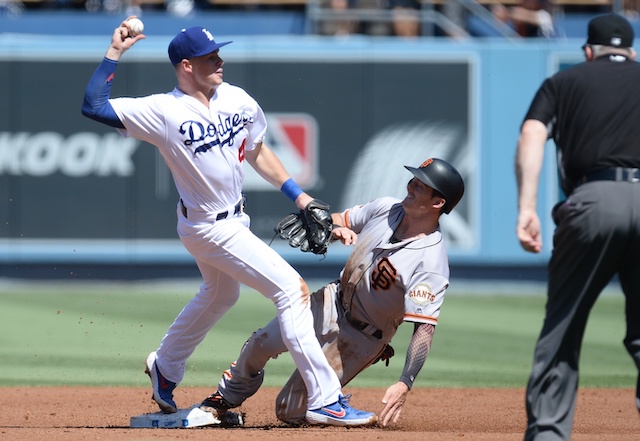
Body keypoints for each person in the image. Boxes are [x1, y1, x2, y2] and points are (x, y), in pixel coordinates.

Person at [81, 17, 377, 427]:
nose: (220, 60)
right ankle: (325, 398)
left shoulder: (236, 98)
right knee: (292, 290)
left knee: (221, 295)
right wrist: (116, 51)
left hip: (235, 220)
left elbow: (257, 151)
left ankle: (165, 367)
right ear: (186, 66)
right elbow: (93, 105)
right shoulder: (163, 110)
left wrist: (301, 196)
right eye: (210, 56)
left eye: (219, 53)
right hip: (206, 225)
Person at [195, 158, 465, 427]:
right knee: (260, 343)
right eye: (413, 179)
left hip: (361, 337)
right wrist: (335, 230)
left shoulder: (430, 262)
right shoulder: (386, 208)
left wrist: (405, 382)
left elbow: (424, 329)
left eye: (420, 185)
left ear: (438, 203)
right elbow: (338, 220)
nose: (411, 185)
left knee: (289, 410)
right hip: (329, 302)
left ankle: (343, 414)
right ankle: (224, 399)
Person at [515, 13, 640, 440]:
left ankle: (549, 434)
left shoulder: (564, 82)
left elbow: (532, 132)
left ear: (588, 51)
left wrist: (527, 206)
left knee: (564, 327)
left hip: (594, 200)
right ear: (632, 51)